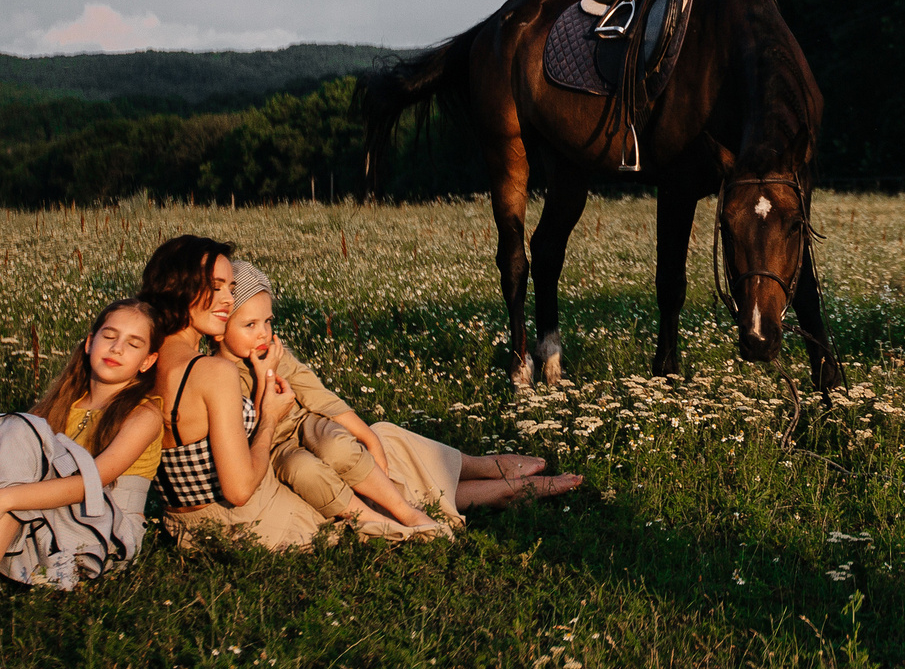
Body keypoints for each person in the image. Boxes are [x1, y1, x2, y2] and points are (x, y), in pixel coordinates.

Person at [138, 234, 581, 550]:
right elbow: (238, 487)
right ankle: (500, 485)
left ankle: (486, 474)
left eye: (228, 289)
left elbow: (311, 393)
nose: (224, 299)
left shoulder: (154, 361)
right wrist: (269, 411)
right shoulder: (212, 371)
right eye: (216, 289)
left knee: (371, 445)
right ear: (182, 288)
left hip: (221, 505)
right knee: (377, 459)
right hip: (255, 504)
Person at [0, 297, 167, 624]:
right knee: (6, 428)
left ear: (147, 361)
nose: (116, 349)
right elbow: (5, 464)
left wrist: (0, 499)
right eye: (109, 336)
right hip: (50, 521)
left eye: (133, 343)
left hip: (105, 531)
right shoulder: (59, 405)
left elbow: (96, 480)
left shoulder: (144, 413)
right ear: (89, 343)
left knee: (17, 449)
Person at [219, 260, 439, 535]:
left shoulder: (276, 353)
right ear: (220, 328)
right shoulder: (220, 376)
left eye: (267, 321)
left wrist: (371, 439)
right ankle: (372, 520)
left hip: (305, 422)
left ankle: (405, 511)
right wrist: (266, 375)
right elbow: (254, 427)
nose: (263, 333)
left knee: (335, 444)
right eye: (249, 324)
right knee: (302, 470)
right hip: (273, 444)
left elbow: (318, 396)